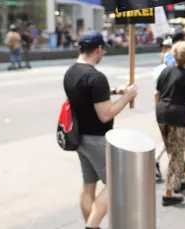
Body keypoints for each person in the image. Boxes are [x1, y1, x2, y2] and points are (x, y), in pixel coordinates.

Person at [63, 31, 137, 229]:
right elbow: (106, 114)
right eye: (103, 50)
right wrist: (127, 97)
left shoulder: (71, 72)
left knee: (89, 185)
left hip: (78, 137)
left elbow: (86, 93)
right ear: (98, 49)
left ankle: (89, 223)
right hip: (96, 138)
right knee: (117, 181)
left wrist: (114, 91)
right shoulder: (96, 77)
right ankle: (92, 226)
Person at [155, 41, 185, 206]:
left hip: (162, 112)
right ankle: (168, 192)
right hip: (178, 115)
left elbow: (157, 93)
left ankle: (178, 179)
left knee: (172, 149)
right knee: (176, 154)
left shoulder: (166, 71)